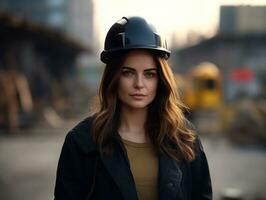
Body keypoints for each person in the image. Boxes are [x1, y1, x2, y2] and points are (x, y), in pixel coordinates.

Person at [54, 16, 212, 200]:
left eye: (149, 74)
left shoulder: (184, 137)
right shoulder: (82, 141)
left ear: (160, 80)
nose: (139, 84)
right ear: (113, 77)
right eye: (128, 73)